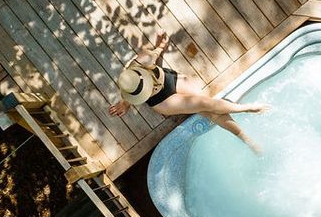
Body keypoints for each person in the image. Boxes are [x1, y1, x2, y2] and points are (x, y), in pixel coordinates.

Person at [108, 31, 267, 151]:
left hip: (169, 80)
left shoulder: (141, 60)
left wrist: (160, 46)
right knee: (207, 107)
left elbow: (155, 53)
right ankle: (247, 127)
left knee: (209, 107)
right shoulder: (141, 94)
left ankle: (246, 133)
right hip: (163, 100)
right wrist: (125, 103)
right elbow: (128, 93)